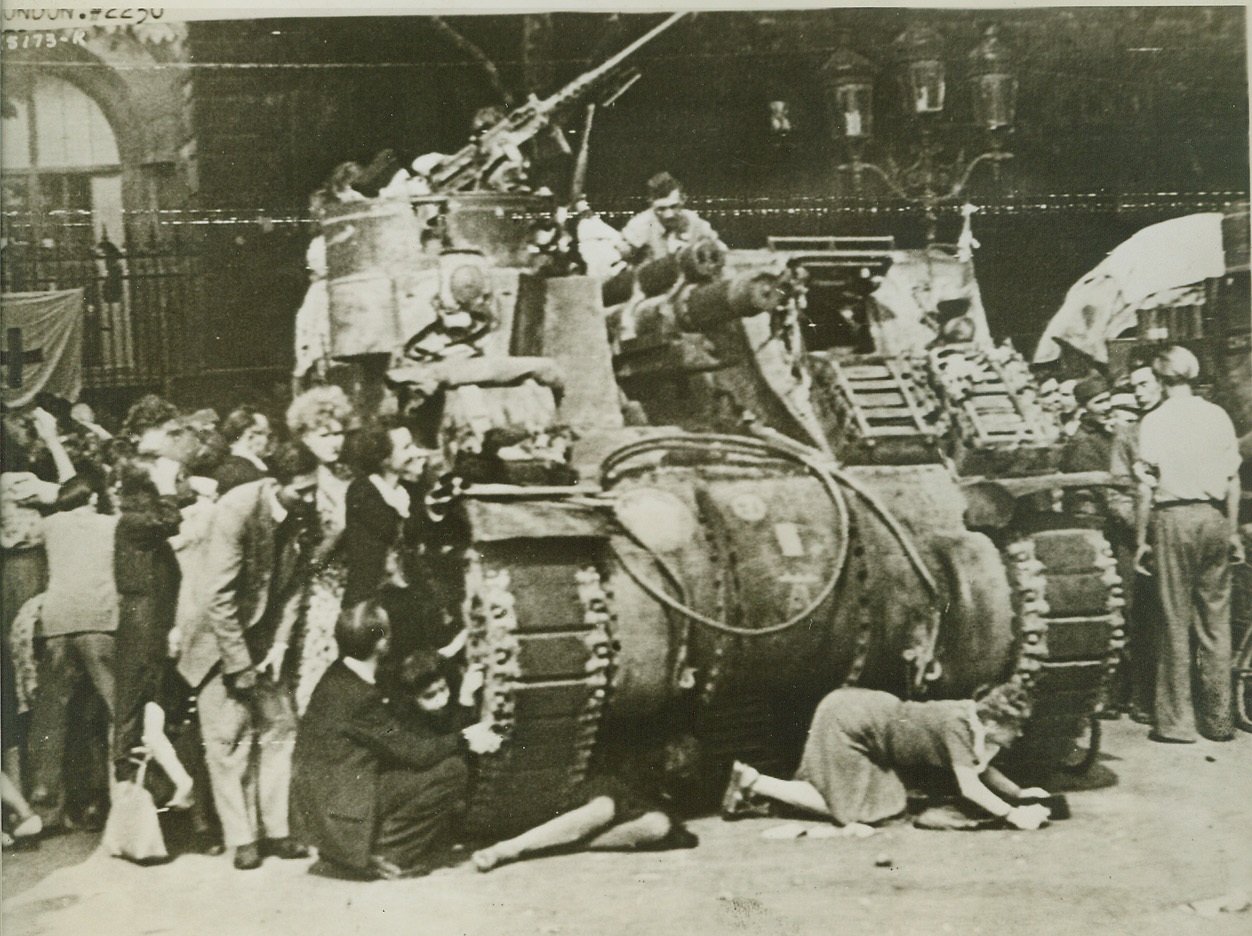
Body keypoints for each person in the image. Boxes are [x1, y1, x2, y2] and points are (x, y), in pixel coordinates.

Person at [292, 601, 499, 880]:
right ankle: (387, 852)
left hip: (327, 803)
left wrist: (444, 654)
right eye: (387, 632)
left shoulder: (340, 675)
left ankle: (363, 847)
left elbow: (396, 674)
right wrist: (465, 737)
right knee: (451, 771)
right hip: (341, 815)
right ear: (379, 643)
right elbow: (417, 753)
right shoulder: (359, 699)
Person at [177, 461, 319, 870]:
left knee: (280, 726)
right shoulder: (238, 507)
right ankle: (241, 837)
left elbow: (295, 587)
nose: (309, 499)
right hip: (216, 637)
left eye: (314, 491)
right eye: (302, 491)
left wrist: (279, 644)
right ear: (276, 483)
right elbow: (217, 596)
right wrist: (239, 664)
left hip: (263, 637)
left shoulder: (301, 515)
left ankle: (277, 830)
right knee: (228, 736)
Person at [720, 681, 1052, 831]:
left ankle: (753, 785)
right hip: (851, 720)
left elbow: (983, 769)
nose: (1019, 734)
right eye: (1016, 727)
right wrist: (1012, 815)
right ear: (994, 722)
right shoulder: (959, 726)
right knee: (857, 810)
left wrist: (1020, 793)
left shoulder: (974, 722)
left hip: (863, 713)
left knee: (881, 802)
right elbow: (970, 786)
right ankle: (753, 781)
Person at [1134, 345, 1242, 743]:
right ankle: (1218, 721)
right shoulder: (1218, 416)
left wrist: (1143, 539)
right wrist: (1230, 531)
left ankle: (1176, 723)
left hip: (1173, 519)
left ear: (1161, 380)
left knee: (1173, 619)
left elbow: (1146, 489)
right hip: (1213, 517)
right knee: (1216, 622)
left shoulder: (1155, 422)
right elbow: (1234, 481)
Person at [27, 469, 119, 831]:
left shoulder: (49, 526)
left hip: (58, 625)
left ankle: (47, 809)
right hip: (99, 622)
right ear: (95, 498)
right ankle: (110, 800)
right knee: (112, 710)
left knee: (53, 717)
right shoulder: (111, 525)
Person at [470, 739, 700, 873]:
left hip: (642, 801)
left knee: (657, 825)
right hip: (612, 780)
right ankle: (507, 849)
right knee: (603, 809)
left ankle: (567, 844)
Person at [111, 457, 197, 814]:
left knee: (146, 710)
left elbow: (179, 506)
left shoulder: (139, 525)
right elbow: (169, 517)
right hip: (144, 624)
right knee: (135, 713)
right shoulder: (133, 523)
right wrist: (165, 483)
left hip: (151, 622)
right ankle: (149, 791)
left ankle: (162, 789)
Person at [285, 386, 353, 714]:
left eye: (339, 432)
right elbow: (305, 563)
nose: (335, 441)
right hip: (323, 595)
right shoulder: (302, 487)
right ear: (306, 437)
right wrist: (339, 532)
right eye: (325, 434)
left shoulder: (352, 476)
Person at [342, 419, 431, 655]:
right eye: (406, 448)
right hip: (370, 604)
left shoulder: (406, 492)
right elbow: (395, 530)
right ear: (383, 459)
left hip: (400, 598)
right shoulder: (362, 492)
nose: (416, 452)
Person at [1109, 363, 1165, 724]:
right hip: (1135, 540)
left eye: (1146, 383)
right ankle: (1130, 696)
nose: (1140, 391)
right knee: (1133, 616)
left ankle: (1157, 698)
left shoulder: (1176, 426)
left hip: (1171, 534)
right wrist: (1143, 528)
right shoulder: (1127, 436)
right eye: (1135, 385)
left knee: (1165, 619)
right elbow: (1117, 494)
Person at [618, 172, 723, 267]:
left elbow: (721, 251)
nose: (668, 215)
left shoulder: (693, 222)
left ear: (683, 200)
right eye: (661, 209)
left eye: (674, 206)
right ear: (651, 203)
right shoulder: (639, 225)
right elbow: (620, 258)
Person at [212, 406, 272, 496]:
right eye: (262, 433)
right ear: (248, 435)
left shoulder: (229, 467)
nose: (267, 441)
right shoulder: (240, 472)